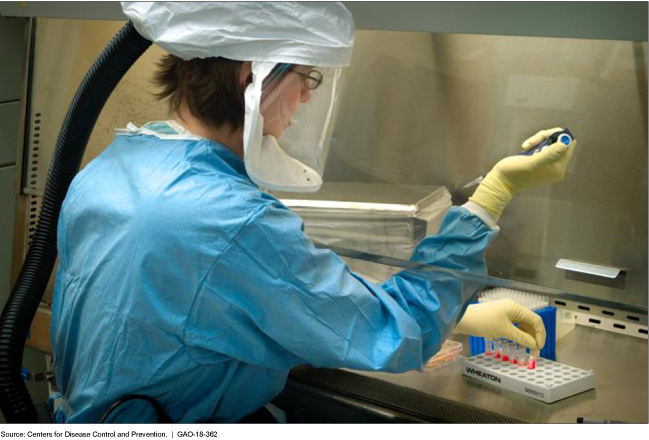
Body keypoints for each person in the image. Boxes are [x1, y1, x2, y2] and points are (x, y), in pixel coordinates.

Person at [49, 3, 576, 422]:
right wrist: (494, 192)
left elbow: (218, 312)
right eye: (305, 74)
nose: (306, 94)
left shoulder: (110, 169)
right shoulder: (229, 219)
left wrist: (460, 318)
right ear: (248, 77)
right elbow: (403, 331)